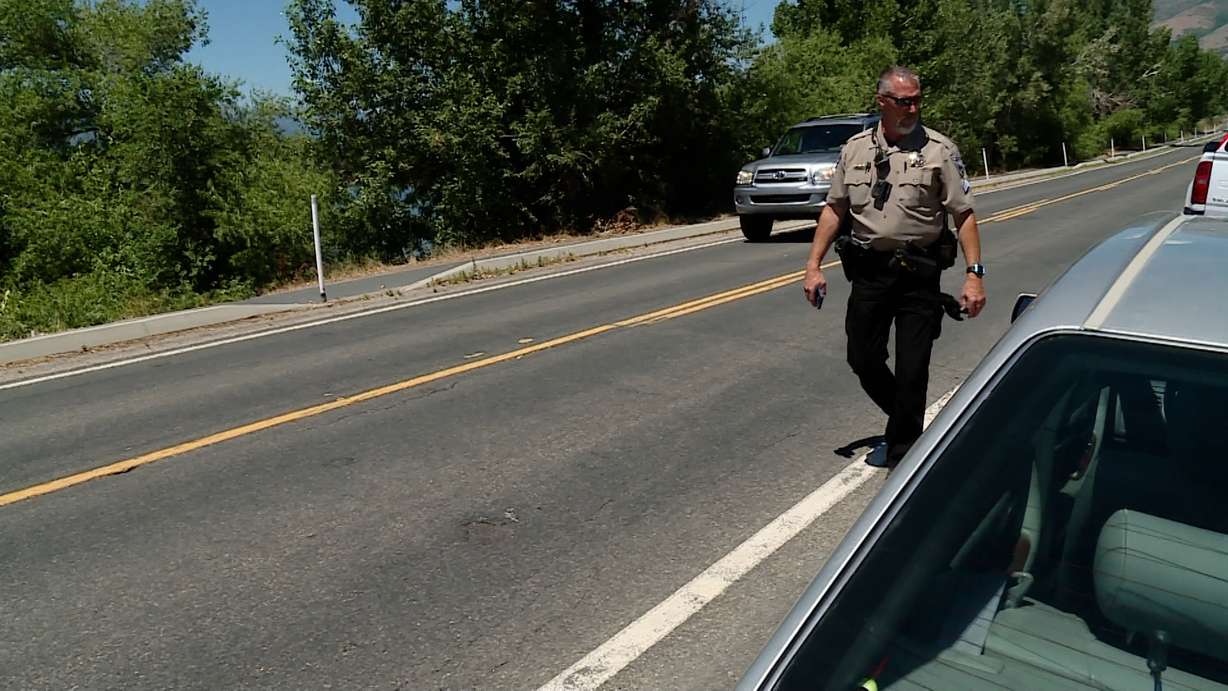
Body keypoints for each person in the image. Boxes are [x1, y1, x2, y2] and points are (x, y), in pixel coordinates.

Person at [803, 66, 987, 469]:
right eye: (904, 101)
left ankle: (904, 456)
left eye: (918, 99)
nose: (913, 108)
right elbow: (835, 209)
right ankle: (908, 423)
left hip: (919, 273)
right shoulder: (854, 150)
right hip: (870, 273)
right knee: (862, 358)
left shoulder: (940, 149)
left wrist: (975, 274)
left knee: (912, 368)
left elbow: (964, 214)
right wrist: (813, 265)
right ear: (882, 101)